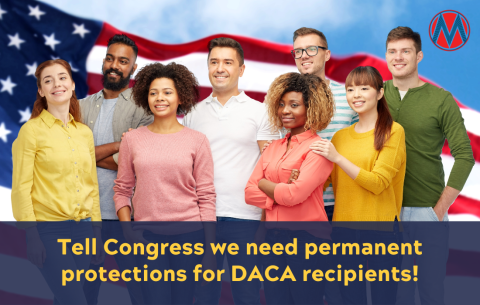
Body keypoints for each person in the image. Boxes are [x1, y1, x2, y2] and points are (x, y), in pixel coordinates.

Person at [183, 37, 280, 305]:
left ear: (241, 69)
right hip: (202, 220)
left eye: (228, 62)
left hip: (245, 220)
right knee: (203, 295)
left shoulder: (261, 113)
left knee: (246, 294)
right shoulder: (192, 114)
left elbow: (269, 170)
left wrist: (264, 222)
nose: (220, 68)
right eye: (214, 62)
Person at [382, 26, 474, 305]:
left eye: (405, 51)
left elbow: (465, 155)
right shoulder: (374, 92)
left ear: (419, 55)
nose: (398, 57)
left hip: (427, 213)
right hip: (384, 214)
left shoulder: (440, 99)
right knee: (391, 295)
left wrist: (439, 210)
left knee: (430, 293)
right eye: (392, 51)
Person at [113, 62, 216, 304]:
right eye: (153, 92)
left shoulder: (197, 141)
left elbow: (206, 195)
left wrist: (210, 248)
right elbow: (122, 189)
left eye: (167, 92)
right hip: (146, 238)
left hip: (190, 237)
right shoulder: (132, 140)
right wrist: (128, 231)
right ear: (145, 97)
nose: (160, 98)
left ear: (180, 96)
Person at [310, 66, 406, 304]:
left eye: (364, 88)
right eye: (351, 89)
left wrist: (338, 159)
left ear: (380, 93)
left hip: (382, 232)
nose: (356, 94)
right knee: (350, 299)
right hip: (343, 232)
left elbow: (377, 183)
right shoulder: (340, 137)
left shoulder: (393, 132)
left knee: (384, 299)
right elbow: (322, 184)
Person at [11, 59, 102, 305]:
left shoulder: (84, 133)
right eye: (47, 80)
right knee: (74, 299)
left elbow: (91, 186)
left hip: (83, 230)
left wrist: (96, 232)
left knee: (66, 298)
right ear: (41, 91)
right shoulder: (31, 131)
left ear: (72, 85)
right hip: (49, 231)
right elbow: (21, 187)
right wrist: (31, 235)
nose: (56, 84)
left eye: (62, 78)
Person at [245, 72, 334, 304]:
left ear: (311, 108)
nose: (285, 110)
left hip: (307, 240)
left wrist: (266, 184)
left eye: (294, 105)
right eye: (282, 104)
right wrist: (279, 193)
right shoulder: (273, 146)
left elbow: (295, 195)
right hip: (272, 239)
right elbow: (249, 191)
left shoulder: (318, 148)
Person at [80, 34, 151, 305]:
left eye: (123, 61)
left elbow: (137, 164)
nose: (114, 65)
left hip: (128, 218)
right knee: (77, 294)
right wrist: (119, 144)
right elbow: (65, 157)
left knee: (142, 293)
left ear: (133, 68)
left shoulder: (144, 108)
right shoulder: (80, 107)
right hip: (84, 216)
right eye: (110, 58)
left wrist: (84, 156)